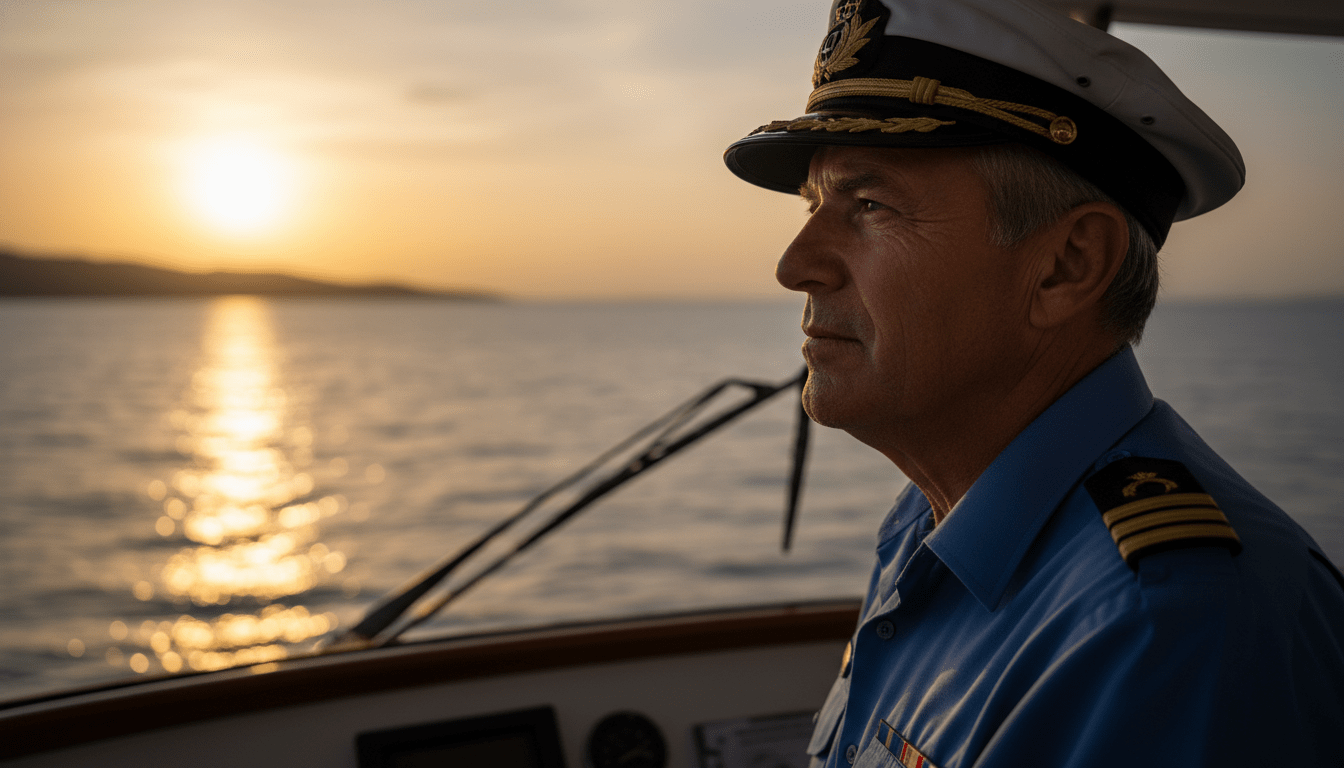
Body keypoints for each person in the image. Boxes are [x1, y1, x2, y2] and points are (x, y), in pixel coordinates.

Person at [722, 0, 1344, 766]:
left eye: (870, 206)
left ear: (1067, 265)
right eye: (817, 207)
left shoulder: (1165, 628)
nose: (794, 266)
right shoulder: (933, 517)